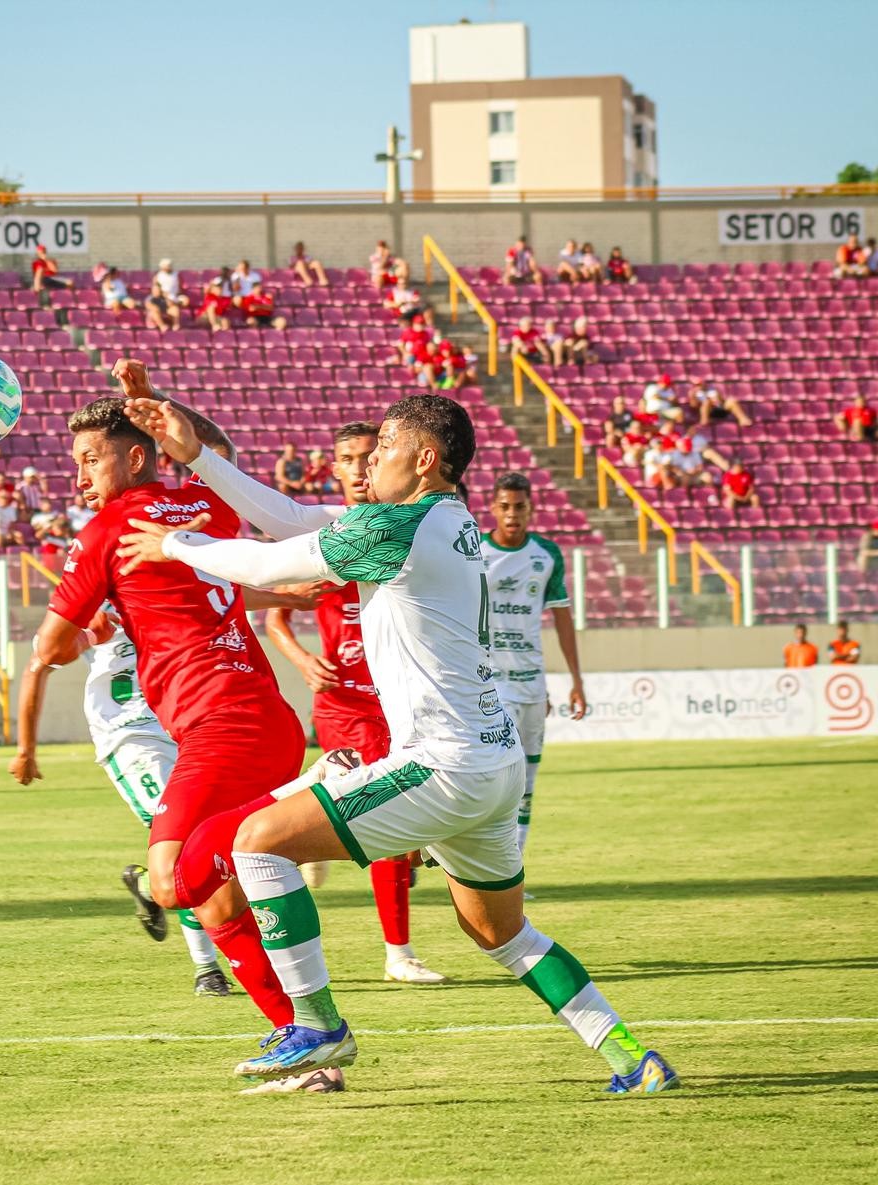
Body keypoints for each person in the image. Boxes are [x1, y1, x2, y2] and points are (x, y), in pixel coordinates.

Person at [116, 393, 678, 1094]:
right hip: (493, 761)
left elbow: (272, 566)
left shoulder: (400, 527)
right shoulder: (443, 520)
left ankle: (319, 1025)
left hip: (444, 763)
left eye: (383, 447)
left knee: (255, 842)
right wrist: (195, 454)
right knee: (503, 935)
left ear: (423, 459)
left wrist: (173, 544)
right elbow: (289, 518)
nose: (370, 460)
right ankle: (632, 1058)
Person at [9, 373, 324, 1080]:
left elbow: (50, 649)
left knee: (171, 878)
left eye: (92, 458)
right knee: (213, 889)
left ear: (137, 457)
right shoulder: (210, 501)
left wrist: (82, 624)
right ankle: (305, 1040)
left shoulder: (108, 531)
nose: (81, 474)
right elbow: (215, 450)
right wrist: (162, 405)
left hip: (223, 728)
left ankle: (317, 1019)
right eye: (78, 461)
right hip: (266, 721)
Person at [266, 422, 448, 988]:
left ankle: (302, 822)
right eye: (346, 458)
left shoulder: (404, 530)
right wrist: (299, 658)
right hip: (346, 705)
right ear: (337, 468)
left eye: (368, 455)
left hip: (400, 702)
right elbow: (277, 611)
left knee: (398, 820)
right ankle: (399, 954)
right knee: (391, 819)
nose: (358, 466)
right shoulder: (326, 532)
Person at [81, 616, 233, 997]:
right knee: (185, 849)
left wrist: (283, 595)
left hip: (188, 727)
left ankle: (148, 884)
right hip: (133, 739)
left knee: (220, 840)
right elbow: (49, 650)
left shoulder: (170, 590)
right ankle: (207, 968)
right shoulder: (93, 597)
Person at [481, 473, 587, 855]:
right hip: (489, 685)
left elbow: (562, 618)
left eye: (520, 507)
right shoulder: (474, 552)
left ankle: (515, 866)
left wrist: (575, 679)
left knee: (527, 780)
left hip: (532, 683)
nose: (512, 515)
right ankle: (484, 859)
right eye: (505, 507)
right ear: (492, 509)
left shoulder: (546, 556)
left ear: (532, 510)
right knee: (501, 775)